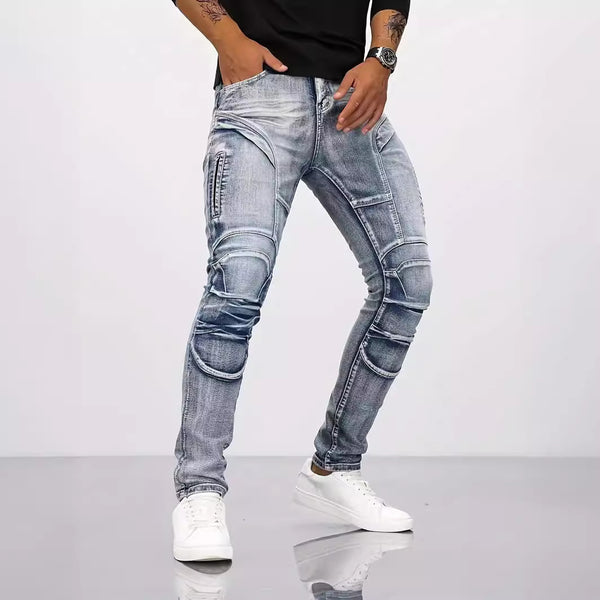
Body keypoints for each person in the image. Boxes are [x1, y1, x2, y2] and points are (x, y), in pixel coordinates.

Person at [169, 0, 433, 562]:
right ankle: (199, 491)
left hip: (349, 98)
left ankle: (333, 468)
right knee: (237, 285)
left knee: (407, 282)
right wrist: (229, 42)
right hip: (261, 96)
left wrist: (382, 59)